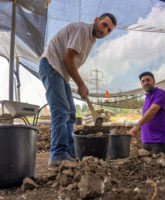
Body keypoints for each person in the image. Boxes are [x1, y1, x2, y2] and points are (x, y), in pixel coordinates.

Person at [39, 13, 117, 166]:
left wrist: (77, 83)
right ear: (96, 20)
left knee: (71, 114)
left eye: (109, 30)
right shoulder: (82, 30)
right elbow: (67, 58)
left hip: (62, 75)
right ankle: (57, 154)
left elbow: (70, 62)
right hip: (52, 66)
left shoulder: (91, 40)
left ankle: (69, 152)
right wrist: (81, 84)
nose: (105, 31)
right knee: (61, 111)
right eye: (104, 25)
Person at [128, 72, 165, 155]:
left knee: (158, 166)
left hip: (159, 140)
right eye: (143, 81)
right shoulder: (147, 97)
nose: (145, 83)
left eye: (148, 80)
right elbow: (146, 117)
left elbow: (152, 110)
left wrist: (137, 126)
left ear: (154, 81)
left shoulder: (160, 94)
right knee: (148, 167)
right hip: (146, 140)